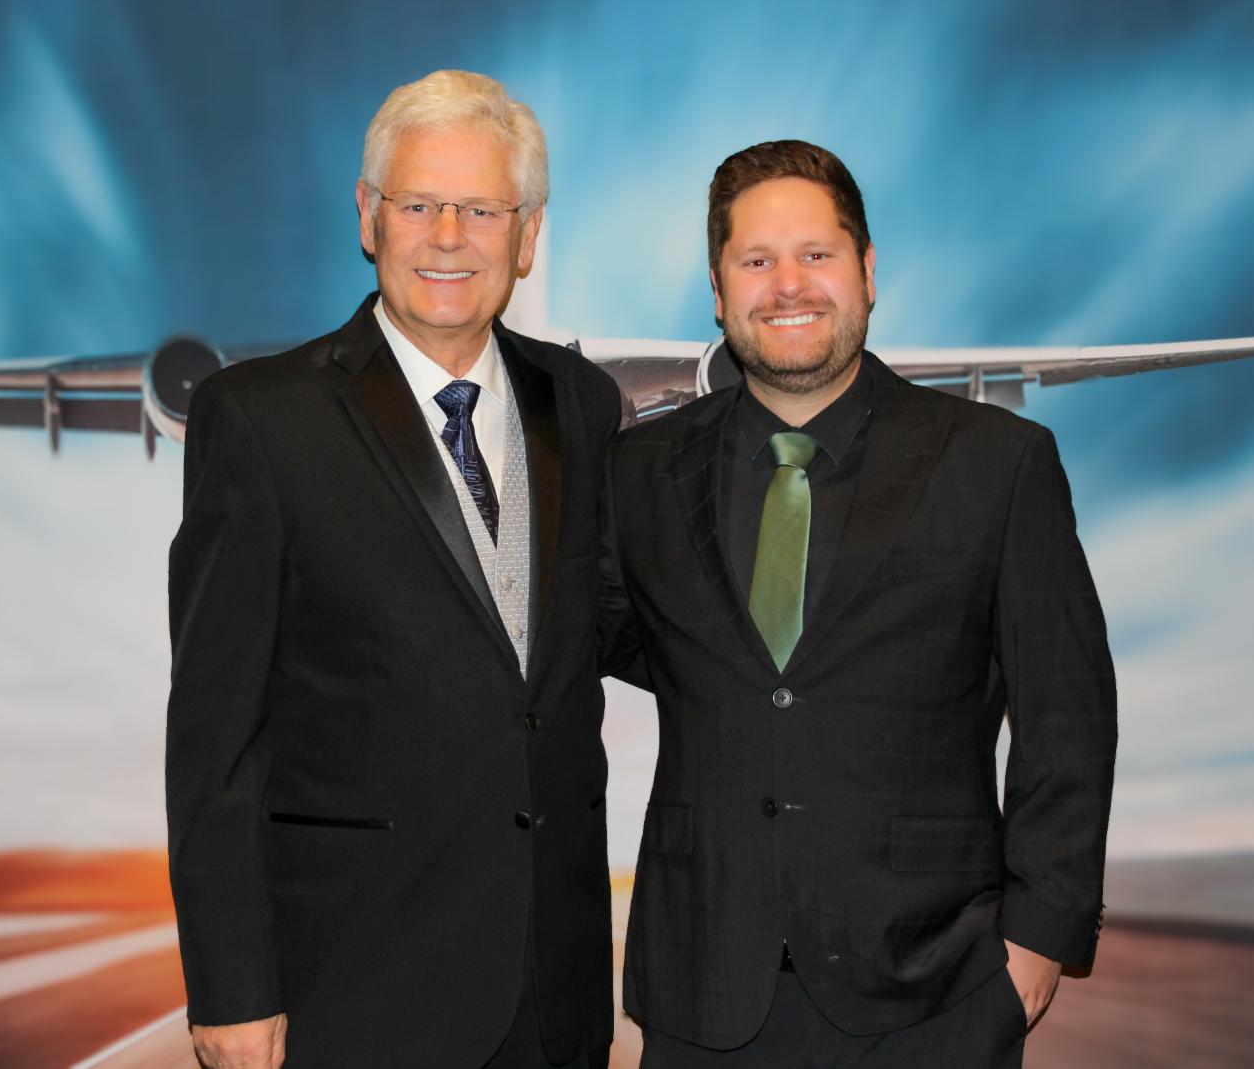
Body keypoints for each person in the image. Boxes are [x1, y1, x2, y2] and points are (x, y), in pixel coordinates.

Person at [600, 140, 1116, 1067]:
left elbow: (1067, 714)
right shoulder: (636, 473)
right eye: (756, 261)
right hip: (705, 989)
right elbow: (625, 647)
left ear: (868, 271)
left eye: (817, 254)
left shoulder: (998, 464)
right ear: (717, 291)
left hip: (936, 991)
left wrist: (1040, 940)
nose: (788, 286)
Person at [167, 70, 620, 1069]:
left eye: (482, 209)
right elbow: (213, 735)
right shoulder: (260, 419)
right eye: (418, 204)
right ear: (368, 216)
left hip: (554, 993)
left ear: (527, 235)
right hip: (356, 992)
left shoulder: (581, 402)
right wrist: (232, 986)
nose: (449, 236)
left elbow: (609, 627)